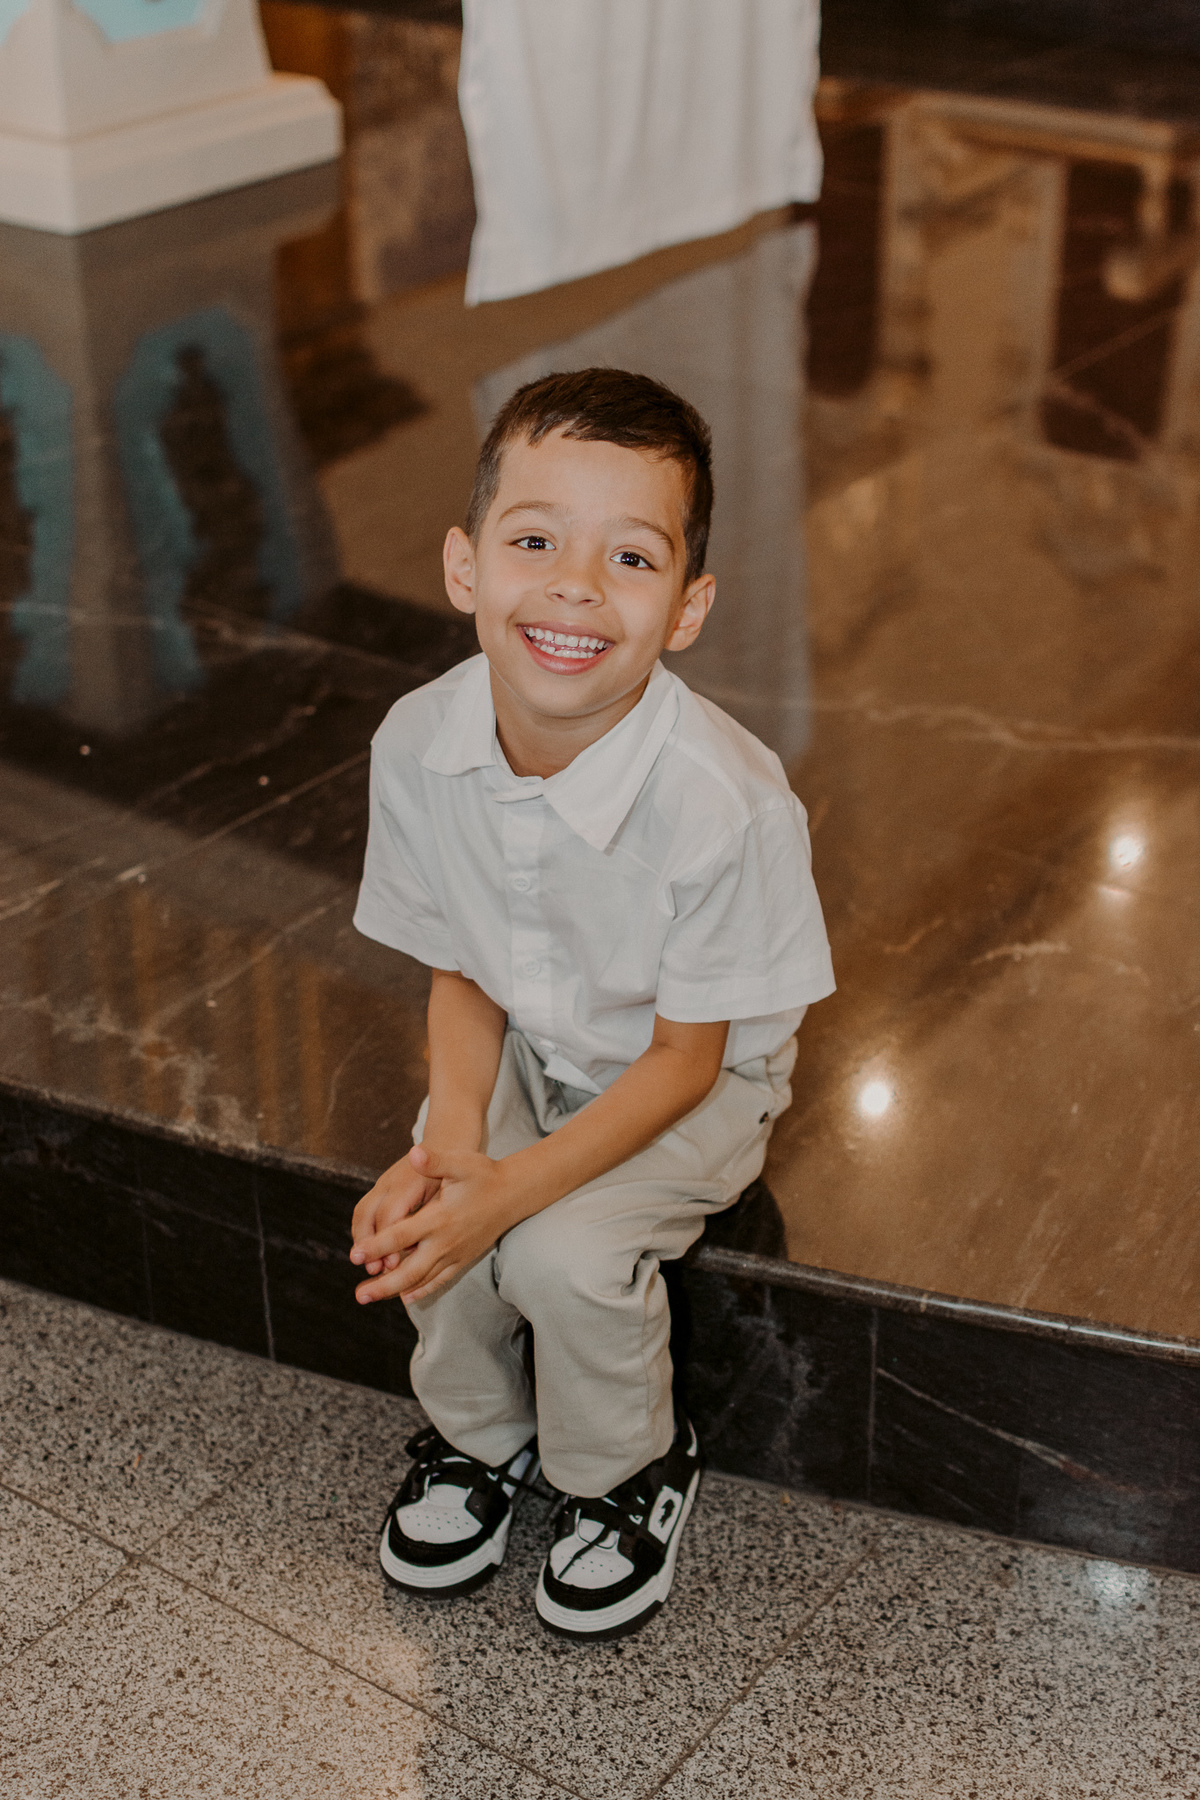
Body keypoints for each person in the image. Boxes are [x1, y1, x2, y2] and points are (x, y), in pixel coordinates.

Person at [349, 368, 833, 1641]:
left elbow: (685, 1060)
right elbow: (462, 966)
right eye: (534, 542)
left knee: (562, 1256)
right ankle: (479, 1439)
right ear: (464, 567)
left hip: (693, 1078)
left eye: (630, 557)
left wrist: (515, 1192)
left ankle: (626, 1471)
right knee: (436, 1206)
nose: (574, 587)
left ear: (688, 607)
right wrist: (458, 1148)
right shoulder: (418, 742)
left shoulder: (726, 804)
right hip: (528, 1034)